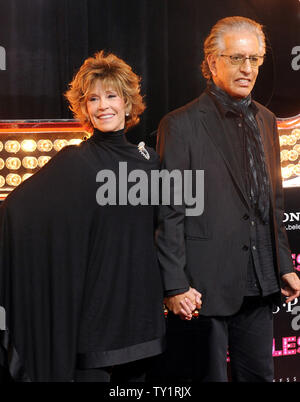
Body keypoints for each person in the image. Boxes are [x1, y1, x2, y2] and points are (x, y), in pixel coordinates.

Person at [0, 50, 165, 382]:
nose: (102, 105)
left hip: (143, 316)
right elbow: (15, 214)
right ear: (85, 108)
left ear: (128, 103)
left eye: (111, 96)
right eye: (93, 98)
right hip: (96, 321)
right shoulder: (75, 162)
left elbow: (167, 232)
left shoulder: (152, 163)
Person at [154, 16, 300, 382]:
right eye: (236, 58)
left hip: (260, 280)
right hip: (203, 288)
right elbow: (169, 210)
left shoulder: (266, 119)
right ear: (211, 62)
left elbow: (273, 202)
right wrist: (174, 285)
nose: (247, 68)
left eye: (254, 59)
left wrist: (283, 264)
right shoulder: (181, 124)